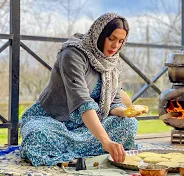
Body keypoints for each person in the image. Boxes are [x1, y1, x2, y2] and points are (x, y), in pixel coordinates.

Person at [19, 13, 146, 166]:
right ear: (99, 34)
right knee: (37, 135)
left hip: (90, 125)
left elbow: (114, 102)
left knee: (129, 124)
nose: (115, 46)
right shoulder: (72, 54)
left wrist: (126, 112)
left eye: (120, 41)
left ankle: (74, 151)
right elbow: (82, 101)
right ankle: (96, 148)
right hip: (54, 121)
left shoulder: (114, 62)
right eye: (111, 39)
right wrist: (105, 141)